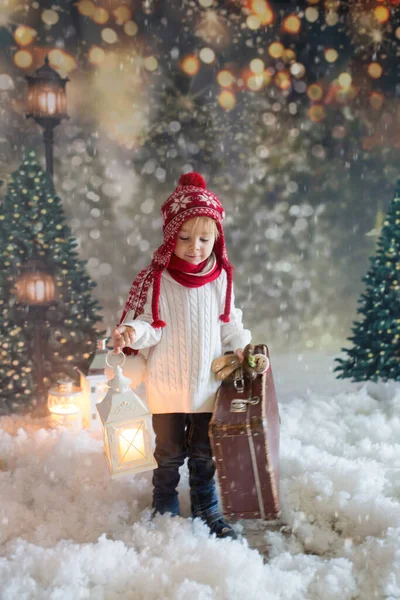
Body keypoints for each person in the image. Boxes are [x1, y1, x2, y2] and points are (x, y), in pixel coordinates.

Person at [112, 172, 251, 539]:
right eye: (184, 238)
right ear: (170, 237)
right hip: (168, 387)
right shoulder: (160, 279)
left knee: (206, 454)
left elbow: (229, 321)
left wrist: (240, 343)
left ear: (216, 238)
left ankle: (207, 505)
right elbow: (150, 323)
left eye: (204, 239)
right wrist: (132, 331)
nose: (194, 247)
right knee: (169, 453)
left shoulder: (221, 278)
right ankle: (165, 501)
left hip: (207, 387)